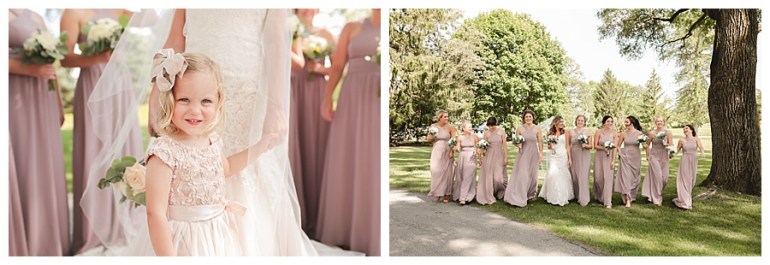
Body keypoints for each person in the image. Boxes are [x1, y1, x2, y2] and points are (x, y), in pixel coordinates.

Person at [82, 9, 324, 256]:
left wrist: (276, 106)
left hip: (244, 86)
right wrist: (158, 90)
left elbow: (276, 41)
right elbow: (176, 37)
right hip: (188, 77)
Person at [144, 51, 284, 255]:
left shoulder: (212, 139)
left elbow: (225, 168)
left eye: (205, 101)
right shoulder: (164, 152)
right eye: (184, 99)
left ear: (218, 101)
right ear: (169, 99)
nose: (195, 110)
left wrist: (261, 146)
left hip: (218, 234)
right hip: (185, 241)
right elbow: (155, 213)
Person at [60, 8, 141, 255]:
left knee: (126, 148)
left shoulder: (121, 10)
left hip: (120, 81)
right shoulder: (73, 12)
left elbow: (154, 18)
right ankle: (95, 229)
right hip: (93, 81)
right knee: (95, 149)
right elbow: (65, 58)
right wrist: (99, 58)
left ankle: (129, 218)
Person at [317, 9, 381, 256]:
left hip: (376, 98)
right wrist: (326, 99)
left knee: (372, 160)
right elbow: (338, 65)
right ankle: (343, 229)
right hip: (352, 99)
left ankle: (370, 233)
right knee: (347, 158)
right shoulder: (351, 27)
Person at [8, 8, 70, 256]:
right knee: (24, 159)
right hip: (14, 95)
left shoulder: (36, 15)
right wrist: (27, 70)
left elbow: (49, 59)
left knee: (45, 162)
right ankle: (27, 243)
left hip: (42, 96)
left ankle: (48, 240)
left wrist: (57, 102)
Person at [289, 8, 336, 238]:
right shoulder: (287, 28)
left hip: (316, 91)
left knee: (315, 148)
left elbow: (338, 66)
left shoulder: (326, 33)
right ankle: (294, 212)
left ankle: (318, 216)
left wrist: (318, 68)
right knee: (293, 147)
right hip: (291, 89)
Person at [504, 110, 543, 207]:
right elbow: (516, 142)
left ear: (533, 117)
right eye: (526, 117)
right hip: (523, 153)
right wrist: (518, 145)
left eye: (530, 116)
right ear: (524, 118)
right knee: (523, 174)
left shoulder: (537, 128)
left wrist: (541, 153)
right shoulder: (520, 129)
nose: (528, 118)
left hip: (534, 153)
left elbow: (540, 141)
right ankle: (519, 196)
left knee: (533, 175)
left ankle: (531, 194)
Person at [538, 116, 574, 206]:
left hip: (563, 155)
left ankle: (562, 196)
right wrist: (551, 144)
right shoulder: (550, 133)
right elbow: (549, 147)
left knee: (562, 175)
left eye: (562, 121)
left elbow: (568, 146)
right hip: (553, 156)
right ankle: (552, 195)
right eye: (560, 122)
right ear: (555, 123)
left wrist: (569, 158)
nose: (562, 123)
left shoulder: (566, 132)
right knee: (552, 174)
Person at [425, 110, 457, 203]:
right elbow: (428, 139)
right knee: (436, 171)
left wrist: (452, 151)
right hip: (437, 151)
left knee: (447, 173)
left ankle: (447, 194)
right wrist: (432, 135)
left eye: (447, 116)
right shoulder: (434, 126)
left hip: (447, 150)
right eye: (445, 117)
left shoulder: (451, 127)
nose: (447, 118)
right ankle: (437, 193)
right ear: (440, 117)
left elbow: (454, 140)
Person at [641, 116, 673, 206]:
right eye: (658, 121)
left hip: (664, 156)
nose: (659, 123)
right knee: (657, 176)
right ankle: (657, 198)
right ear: (655, 122)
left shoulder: (668, 133)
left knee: (664, 179)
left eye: (661, 121)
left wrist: (666, 144)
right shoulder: (652, 133)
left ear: (664, 122)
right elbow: (646, 145)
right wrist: (647, 155)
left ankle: (655, 193)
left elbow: (671, 145)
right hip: (654, 156)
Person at [476, 116, 508, 205]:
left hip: (499, 155)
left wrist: (506, 157)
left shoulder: (501, 131)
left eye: (492, 126)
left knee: (499, 178)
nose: (490, 127)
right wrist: (480, 157)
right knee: (489, 176)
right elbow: (483, 146)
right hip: (489, 156)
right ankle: (490, 194)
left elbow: (504, 145)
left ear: (495, 124)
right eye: (489, 126)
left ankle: (501, 191)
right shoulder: (486, 133)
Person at [614, 116, 644, 208]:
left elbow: (645, 146)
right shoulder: (623, 134)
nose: (625, 124)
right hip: (625, 158)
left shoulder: (639, 134)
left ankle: (632, 195)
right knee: (626, 178)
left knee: (635, 178)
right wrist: (620, 154)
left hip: (636, 158)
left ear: (632, 123)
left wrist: (645, 144)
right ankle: (628, 199)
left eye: (627, 122)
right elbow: (617, 146)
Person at [672, 125, 705, 210]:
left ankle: (686, 195)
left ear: (691, 130)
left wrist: (702, 153)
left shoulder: (696, 139)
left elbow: (701, 147)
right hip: (685, 160)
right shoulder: (681, 140)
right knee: (684, 179)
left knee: (691, 179)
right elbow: (677, 150)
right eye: (684, 129)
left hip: (693, 160)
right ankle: (685, 201)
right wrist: (671, 155)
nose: (685, 130)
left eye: (687, 128)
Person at [566, 114, 593, 206]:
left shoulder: (587, 131)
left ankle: (584, 198)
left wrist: (585, 145)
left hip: (584, 155)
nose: (580, 122)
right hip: (574, 155)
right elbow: (568, 146)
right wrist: (569, 158)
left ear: (584, 122)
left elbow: (591, 146)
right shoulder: (570, 132)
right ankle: (577, 195)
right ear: (576, 121)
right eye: (578, 120)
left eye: (582, 120)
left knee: (583, 176)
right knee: (574, 175)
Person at [452, 121, 479, 205]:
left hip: (471, 157)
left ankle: (463, 198)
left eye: (471, 127)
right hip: (462, 157)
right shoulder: (460, 137)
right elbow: (458, 149)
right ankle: (461, 194)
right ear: (463, 128)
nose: (470, 128)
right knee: (461, 177)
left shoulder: (475, 136)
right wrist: (453, 147)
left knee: (468, 176)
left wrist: (480, 158)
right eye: (469, 127)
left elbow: (478, 149)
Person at [593, 115, 617, 208]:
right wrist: (603, 148)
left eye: (611, 121)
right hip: (600, 156)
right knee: (599, 178)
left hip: (609, 157)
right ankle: (600, 196)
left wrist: (613, 161)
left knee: (608, 179)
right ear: (604, 122)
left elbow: (614, 149)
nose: (609, 123)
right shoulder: (599, 132)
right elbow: (595, 146)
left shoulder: (614, 133)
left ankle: (608, 202)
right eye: (608, 121)